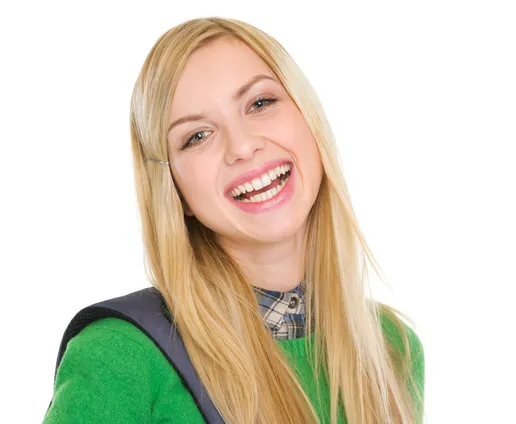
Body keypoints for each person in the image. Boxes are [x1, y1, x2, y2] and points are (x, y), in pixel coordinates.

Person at [43, 16, 425, 424]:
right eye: (197, 136)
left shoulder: (391, 349)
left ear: (308, 118)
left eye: (260, 103)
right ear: (174, 188)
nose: (242, 146)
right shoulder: (119, 357)